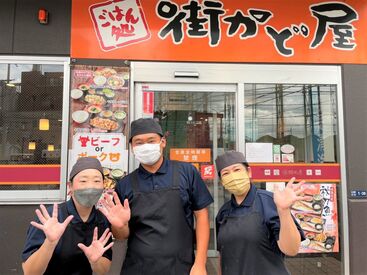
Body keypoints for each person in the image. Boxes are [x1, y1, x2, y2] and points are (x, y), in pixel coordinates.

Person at [99, 118, 214, 275]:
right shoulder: (125, 184)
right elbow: (121, 236)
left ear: (163, 142)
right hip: (138, 268)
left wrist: (200, 263)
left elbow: (202, 217)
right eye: (138, 142)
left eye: (151, 140)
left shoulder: (187, 172)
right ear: (132, 148)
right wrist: (119, 226)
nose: (145, 146)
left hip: (182, 267)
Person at [215, 151, 305, 275]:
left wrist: (284, 211)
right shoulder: (223, 212)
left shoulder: (270, 202)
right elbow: (223, 255)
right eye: (226, 173)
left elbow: (291, 249)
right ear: (222, 181)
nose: (233, 176)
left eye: (237, 170)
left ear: (249, 172)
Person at [22, 157, 114, 275]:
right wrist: (49, 243)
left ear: (103, 186)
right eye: (83, 181)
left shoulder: (102, 221)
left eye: (97, 181)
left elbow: (103, 271)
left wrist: (95, 262)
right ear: (70, 186)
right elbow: (30, 272)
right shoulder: (50, 218)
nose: (90, 187)